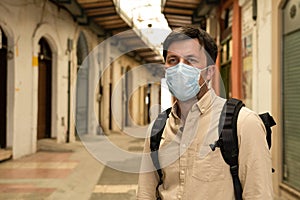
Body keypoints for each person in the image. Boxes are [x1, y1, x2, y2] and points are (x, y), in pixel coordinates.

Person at [137, 26, 273, 200]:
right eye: (172, 60)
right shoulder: (158, 128)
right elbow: (145, 193)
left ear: (209, 72)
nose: (179, 69)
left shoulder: (244, 124)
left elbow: (258, 195)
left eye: (190, 60)